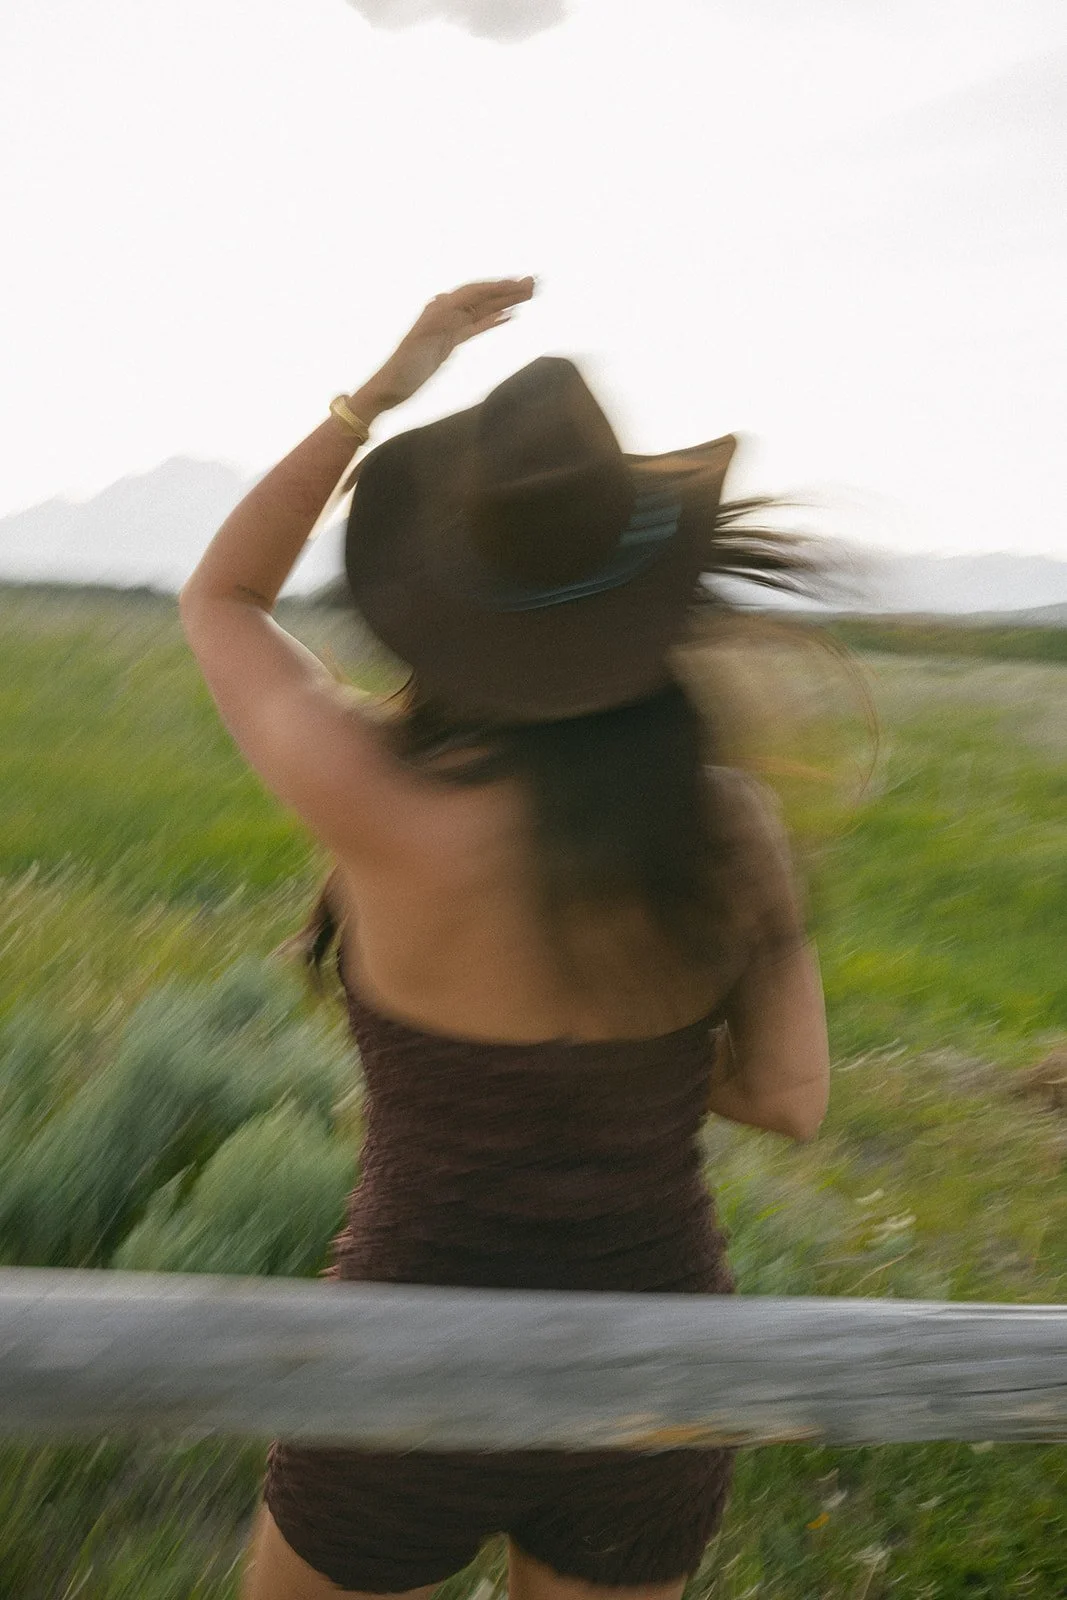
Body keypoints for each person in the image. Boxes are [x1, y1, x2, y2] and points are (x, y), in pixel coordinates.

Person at [179, 277, 830, 1600]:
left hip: (404, 1343)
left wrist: (376, 395)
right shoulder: (729, 829)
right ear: (654, 592)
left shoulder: (378, 798)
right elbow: (787, 1099)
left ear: (447, 594)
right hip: (650, 1357)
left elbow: (223, 598)